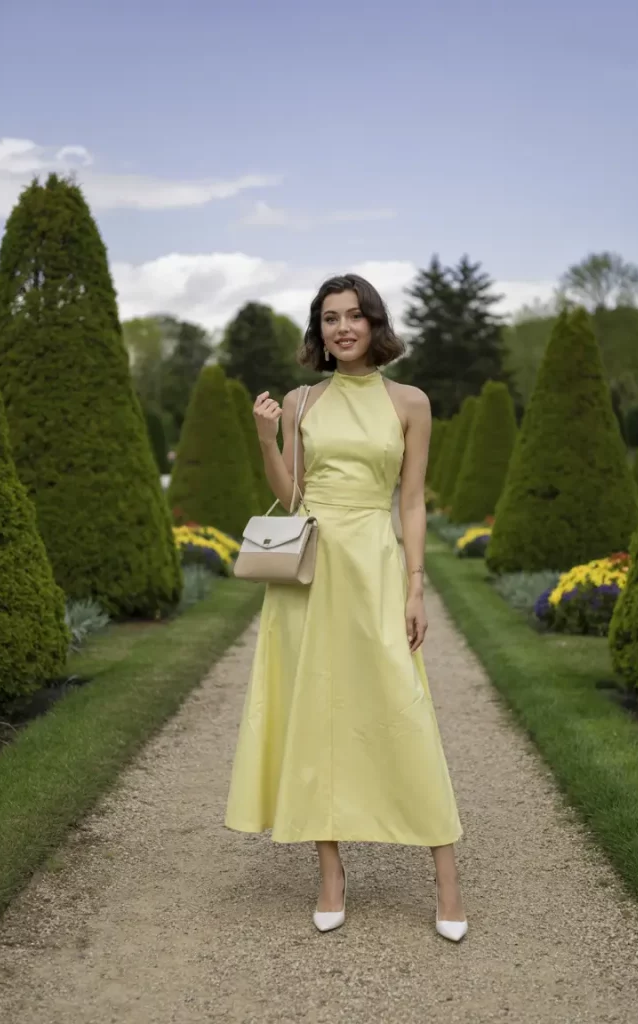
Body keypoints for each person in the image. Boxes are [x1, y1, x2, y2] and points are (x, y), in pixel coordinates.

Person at [225, 274, 467, 941]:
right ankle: (330, 873)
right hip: (309, 574)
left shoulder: (410, 402)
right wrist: (265, 436)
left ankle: (446, 875)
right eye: (330, 318)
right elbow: (293, 496)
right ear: (319, 332)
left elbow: (411, 501)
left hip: (375, 563)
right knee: (318, 713)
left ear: (374, 324)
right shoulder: (302, 401)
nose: (342, 328)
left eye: (354, 316)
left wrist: (415, 585)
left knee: (403, 706)